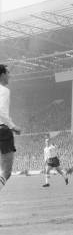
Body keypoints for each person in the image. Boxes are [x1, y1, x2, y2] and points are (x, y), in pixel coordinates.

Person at [0, 65, 21, 194]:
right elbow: (1, 111)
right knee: (6, 171)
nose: (10, 75)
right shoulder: (4, 90)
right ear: (2, 74)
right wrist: (13, 126)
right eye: (8, 73)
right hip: (2, 131)